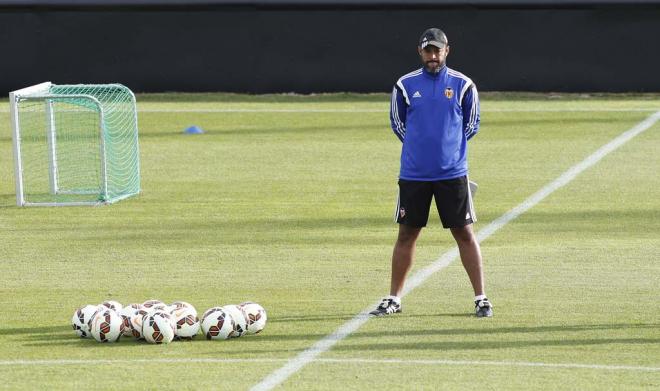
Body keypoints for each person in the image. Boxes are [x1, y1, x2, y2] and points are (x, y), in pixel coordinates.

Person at [370, 28, 493, 318]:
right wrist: (420, 150)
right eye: (428, 51)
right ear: (420, 52)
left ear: (447, 50)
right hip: (414, 175)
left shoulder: (463, 85)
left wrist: (448, 151)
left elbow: (471, 125)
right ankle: (394, 299)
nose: (433, 56)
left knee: (464, 233)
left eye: (437, 51)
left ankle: (481, 298)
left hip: (452, 174)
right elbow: (398, 124)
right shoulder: (404, 85)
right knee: (406, 234)